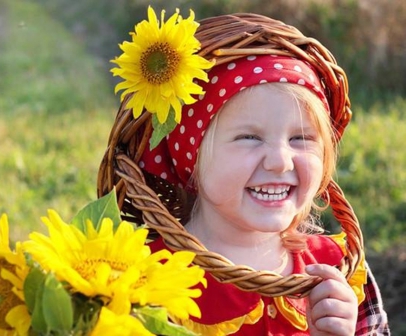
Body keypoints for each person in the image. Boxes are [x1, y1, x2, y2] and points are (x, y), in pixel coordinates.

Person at [100, 8, 390, 335]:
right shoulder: (144, 279)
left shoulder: (337, 274)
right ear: (192, 161)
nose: (280, 161)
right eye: (249, 137)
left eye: (301, 138)